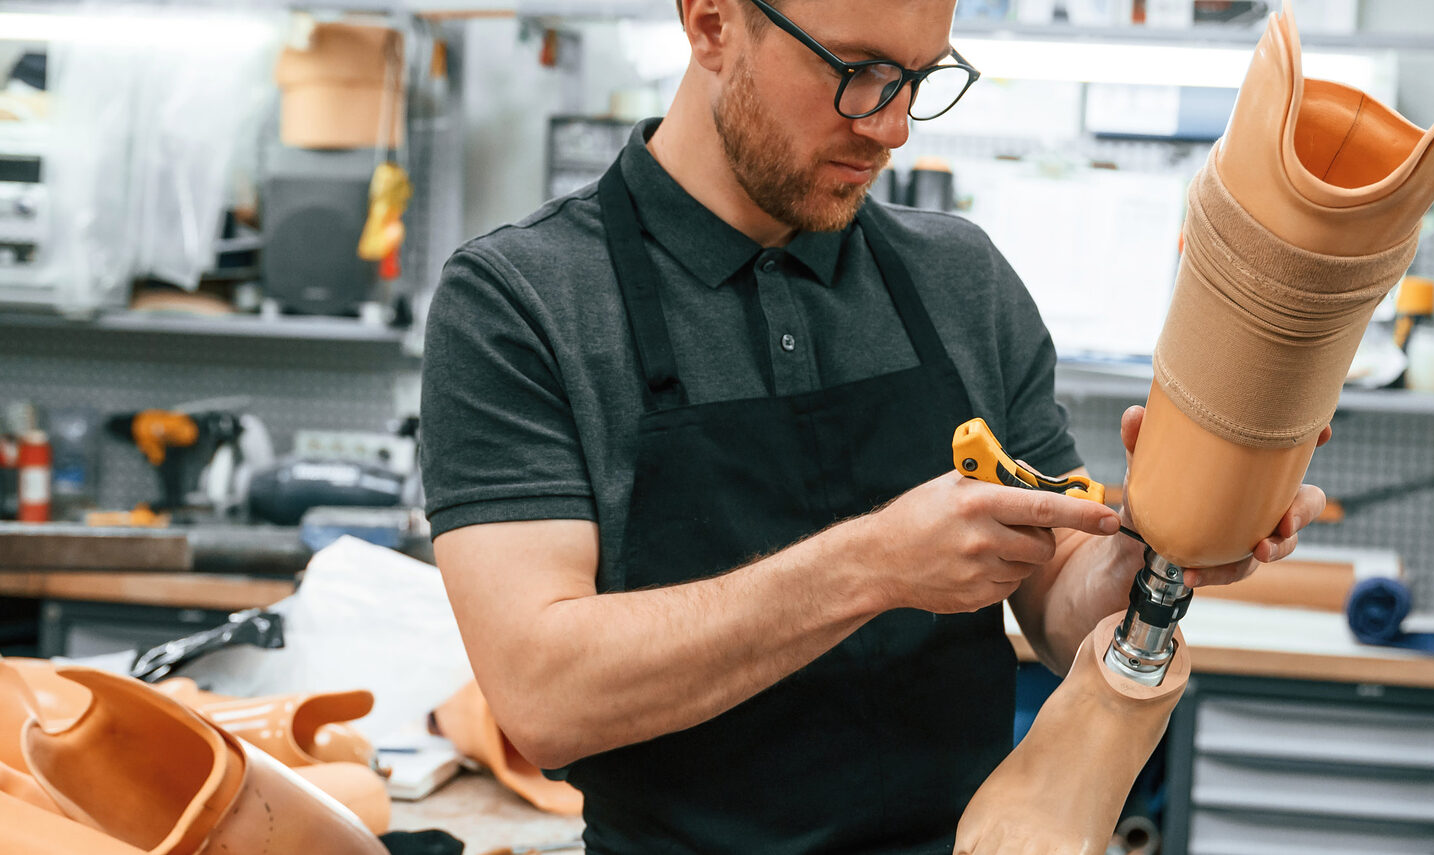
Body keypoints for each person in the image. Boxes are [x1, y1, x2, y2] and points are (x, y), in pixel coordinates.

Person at [420, 0, 1326, 851]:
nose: (891, 127)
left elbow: (1057, 606)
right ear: (711, 22)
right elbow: (543, 696)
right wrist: (877, 564)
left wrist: (1159, 543)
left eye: (921, 80)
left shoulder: (960, 279)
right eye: (856, 71)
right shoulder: (519, 301)